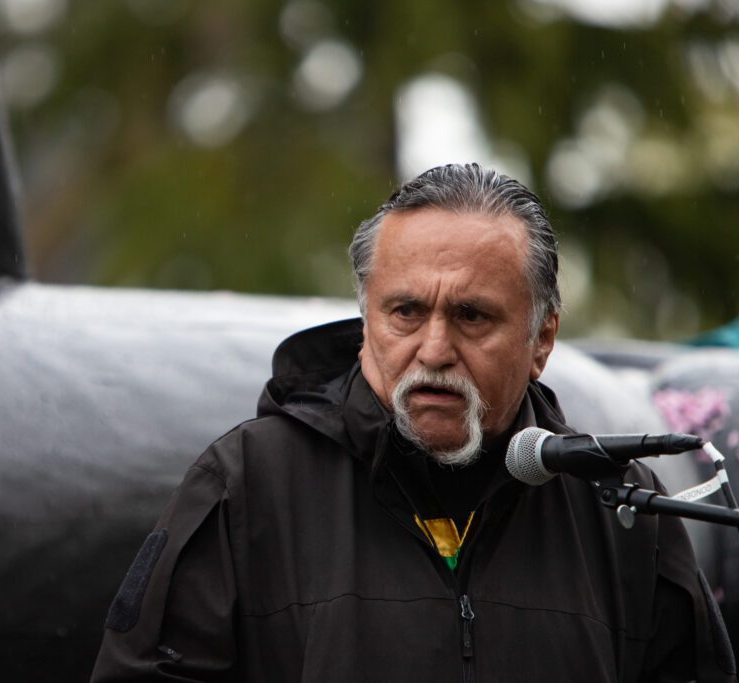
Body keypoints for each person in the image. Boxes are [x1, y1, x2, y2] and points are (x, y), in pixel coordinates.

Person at [91, 163, 737, 682]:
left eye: (472, 316)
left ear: (542, 339)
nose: (433, 350)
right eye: (405, 311)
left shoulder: (619, 510)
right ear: (367, 319)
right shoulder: (249, 484)